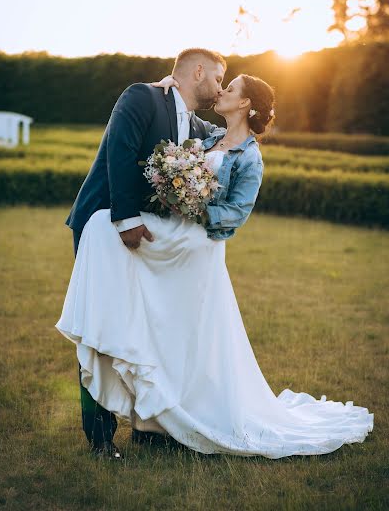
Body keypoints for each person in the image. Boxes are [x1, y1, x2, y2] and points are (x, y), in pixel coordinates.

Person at [56, 71, 373, 460]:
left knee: (188, 334)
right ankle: (155, 418)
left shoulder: (250, 157)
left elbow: (236, 213)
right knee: (161, 328)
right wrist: (168, 85)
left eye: (231, 87)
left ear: (244, 104)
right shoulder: (207, 133)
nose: (221, 90)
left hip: (196, 243)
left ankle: (175, 415)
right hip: (173, 238)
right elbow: (183, 110)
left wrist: (192, 207)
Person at [63, 48, 226, 458]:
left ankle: (148, 425)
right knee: (103, 326)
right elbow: (120, 151)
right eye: (220, 78)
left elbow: (232, 138)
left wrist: (243, 108)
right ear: (199, 71)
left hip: (145, 238)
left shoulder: (196, 123)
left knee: (145, 329)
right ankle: (99, 439)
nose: (220, 87)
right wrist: (126, 219)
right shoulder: (142, 96)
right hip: (105, 225)